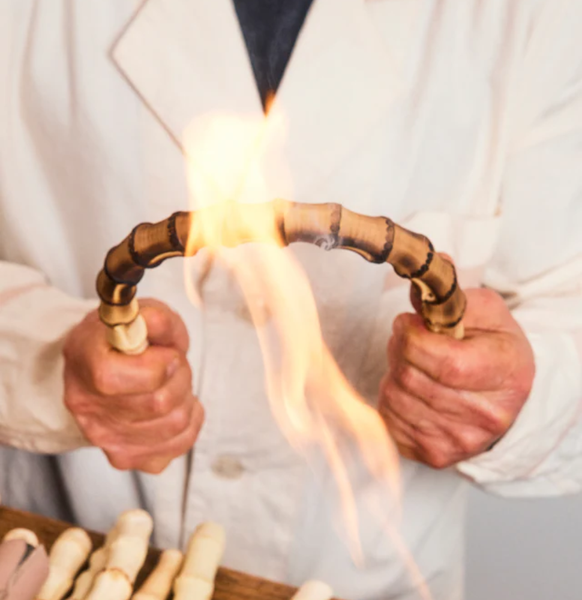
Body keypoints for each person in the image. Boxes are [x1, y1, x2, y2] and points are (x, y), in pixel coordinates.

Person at [0, 1, 581, 599]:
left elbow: (569, 304)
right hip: (57, 556)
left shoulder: (536, 19)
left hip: (367, 580)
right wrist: (43, 362)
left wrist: (514, 392)